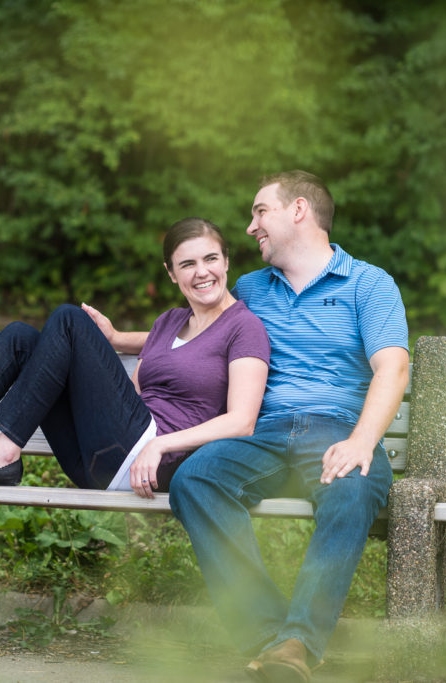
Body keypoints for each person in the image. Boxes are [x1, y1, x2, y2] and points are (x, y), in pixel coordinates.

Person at [85, 171, 409, 681]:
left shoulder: (368, 284)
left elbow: (393, 367)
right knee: (195, 480)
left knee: (353, 486)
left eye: (260, 212)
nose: (251, 225)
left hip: (336, 428)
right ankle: (269, 636)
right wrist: (119, 339)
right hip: (260, 432)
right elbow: (199, 333)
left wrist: (362, 441)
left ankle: (297, 643)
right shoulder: (252, 289)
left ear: (298, 210)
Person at [0, 217, 270, 499]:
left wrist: (159, 445)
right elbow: (131, 393)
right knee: (21, 338)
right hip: (97, 459)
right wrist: (105, 349)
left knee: (69, 319)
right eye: (188, 264)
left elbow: (242, 421)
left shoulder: (243, 327)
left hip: (155, 462)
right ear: (171, 273)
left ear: (227, 261)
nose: (202, 272)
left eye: (211, 259)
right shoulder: (168, 323)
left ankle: (5, 452)